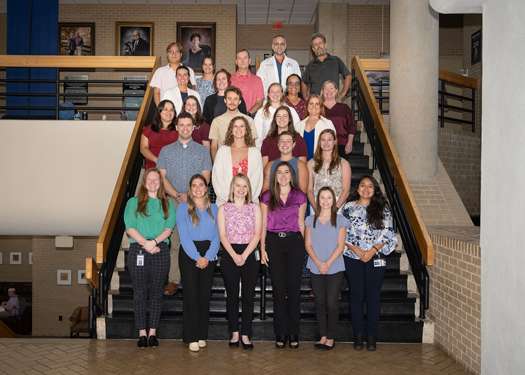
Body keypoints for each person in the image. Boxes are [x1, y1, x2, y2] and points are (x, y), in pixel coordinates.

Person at [156, 113, 213, 295]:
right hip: (173, 201)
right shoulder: (166, 151)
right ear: (177, 127)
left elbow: (206, 177)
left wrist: (189, 196)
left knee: (195, 240)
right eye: (182, 125)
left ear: (193, 127)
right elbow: (161, 177)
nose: (185, 128)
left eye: (189, 125)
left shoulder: (202, 151)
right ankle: (173, 280)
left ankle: (194, 278)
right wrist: (176, 195)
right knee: (175, 242)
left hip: (197, 202)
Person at [341, 175, 398, 351]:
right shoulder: (348, 208)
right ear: (357, 188)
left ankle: (371, 336)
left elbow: (387, 233)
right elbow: (342, 232)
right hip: (352, 256)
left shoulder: (383, 207)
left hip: (376, 257)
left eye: (370, 186)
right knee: (356, 296)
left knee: (373, 297)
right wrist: (358, 251)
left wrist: (371, 251)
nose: (366, 189)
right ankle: (358, 336)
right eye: (363, 186)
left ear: (375, 190)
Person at [124, 168, 176, 348]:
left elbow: (169, 229)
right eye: (149, 179)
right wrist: (145, 244)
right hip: (138, 248)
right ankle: (141, 333)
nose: (153, 182)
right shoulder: (133, 202)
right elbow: (130, 227)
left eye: (156, 180)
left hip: (160, 249)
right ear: (144, 182)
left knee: (155, 295)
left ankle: (152, 333)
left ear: (161, 183)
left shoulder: (168, 204)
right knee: (139, 294)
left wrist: (153, 242)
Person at [260, 161, 307, 349]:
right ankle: (280, 332)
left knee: (294, 290)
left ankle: (294, 332)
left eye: (287, 172)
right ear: (275, 175)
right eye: (279, 172)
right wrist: (262, 248)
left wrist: (304, 247)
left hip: (295, 242)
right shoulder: (266, 196)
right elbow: (263, 224)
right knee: (279, 290)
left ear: (292, 175)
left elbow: (302, 223)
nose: (283, 175)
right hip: (274, 243)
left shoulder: (300, 196)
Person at [217, 174, 262, 351]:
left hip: (250, 254)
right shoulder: (224, 208)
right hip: (230, 254)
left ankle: (245, 334)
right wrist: (235, 255)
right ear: (232, 187)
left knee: (249, 296)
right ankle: (234, 332)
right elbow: (222, 235)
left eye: (244, 186)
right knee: (233, 296)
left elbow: (257, 234)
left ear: (248, 189)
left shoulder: (255, 208)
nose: (241, 189)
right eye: (238, 185)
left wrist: (244, 254)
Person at [177, 174, 220, 352]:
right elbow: (183, 235)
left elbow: (218, 235)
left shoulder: (216, 208)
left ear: (206, 187)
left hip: (209, 253)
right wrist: (197, 257)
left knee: (204, 295)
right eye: (194, 185)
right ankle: (191, 336)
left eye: (200, 184)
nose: (197, 188)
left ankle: (202, 334)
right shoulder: (182, 207)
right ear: (190, 188)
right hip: (189, 253)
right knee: (191, 295)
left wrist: (208, 256)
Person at [305, 187, 349, 351]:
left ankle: (331, 338)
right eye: (322, 197)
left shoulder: (340, 220)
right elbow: (307, 244)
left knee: (332, 304)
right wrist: (318, 262)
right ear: (317, 200)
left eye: (329, 197)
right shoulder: (310, 220)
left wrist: (327, 263)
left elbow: (341, 245)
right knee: (320, 303)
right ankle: (322, 337)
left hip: (335, 267)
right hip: (315, 266)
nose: (325, 201)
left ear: (333, 200)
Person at [212, 116, 263, 207]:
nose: (238, 129)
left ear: (247, 130)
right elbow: (217, 178)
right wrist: (231, 200)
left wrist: (245, 200)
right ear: (231, 130)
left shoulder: (255, 152)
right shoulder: (222, 151)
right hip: (225, 204)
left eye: (242, 126)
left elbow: (257, 180)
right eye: (235, 126)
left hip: (249, 204)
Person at [307, 129, 351, 214]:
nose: (326, 142)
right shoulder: (310, 163)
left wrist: (336, 208)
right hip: (317, 204)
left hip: (337, 204)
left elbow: (346, 190)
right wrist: (316, 208)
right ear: (319, 142)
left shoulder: (344, 163)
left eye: (329, 139)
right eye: (323, 139)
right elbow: (309, 190)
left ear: (334, 142)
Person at [209, 86, 258, 162]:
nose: (232, 102)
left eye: (235, 99)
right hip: (223, 160)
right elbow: (213, 147)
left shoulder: (249, 120)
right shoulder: (217, 121)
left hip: (243, 161)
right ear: (225, 100)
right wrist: (216, 165)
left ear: (240, 102)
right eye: (229, 99)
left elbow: (252, 145)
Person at [301, 32, 352, 98]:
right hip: (316, 102)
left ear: (325, 45)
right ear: (313, 49)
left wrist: (343, 93)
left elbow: (348, 75)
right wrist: (305, 96)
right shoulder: (310, 65)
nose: (318, 46)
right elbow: (304, 82)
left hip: (333, 101)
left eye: (320, 43)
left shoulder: (336, 60)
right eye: (316, 44)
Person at [254, 83, 300, 150]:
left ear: (282, 94)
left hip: (287, 150)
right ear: (268, 94)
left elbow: (297, 130)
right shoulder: (261, 112)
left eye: (278, 91)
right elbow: (257, 135)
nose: (275, 94)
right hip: (268, 149)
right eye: (272, 91)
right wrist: (259, 151)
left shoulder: (291, 111)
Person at [320, 80, 356, 159]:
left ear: (336, 91)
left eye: (331, 88)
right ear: (322, 92)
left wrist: (350, 143)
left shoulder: (344, 107)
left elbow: (351, 125)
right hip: (322, 145)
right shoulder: (318, 108)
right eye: (326, 89)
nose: (328, 91)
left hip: (341, 145)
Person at [294, 94, 336, 160]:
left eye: (317, 104)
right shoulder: (298, 125)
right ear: (307, 105)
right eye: (311, 103)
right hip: (301, 164)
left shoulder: (327, 124)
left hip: (320, 163)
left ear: (321, 106)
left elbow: (333, 146)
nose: (314, 106)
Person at [140, 99, 178, 171]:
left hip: (173, 169)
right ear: (159, 112)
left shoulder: (179, 130)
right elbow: (143, 148)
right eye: (165, 109)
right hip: (153, 169)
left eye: (171, 110)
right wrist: (156, 160)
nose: (169, 112)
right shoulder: (148, 129)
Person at [231, 49, 265, 117]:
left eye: (245, 58)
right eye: (239, 58)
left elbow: (259, 102)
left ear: (249, 61)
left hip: (252, 116)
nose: (242, 60)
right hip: (233, 116)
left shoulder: (257, 80)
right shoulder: (229, 79)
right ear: (236, 62)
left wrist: (248, 114)